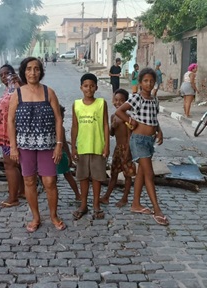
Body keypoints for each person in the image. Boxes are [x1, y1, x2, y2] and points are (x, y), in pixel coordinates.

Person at [8, 57, 66, 232]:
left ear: (41, 72)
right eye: (29, 69)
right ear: (24, 72)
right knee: (29, 180)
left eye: (36, 69)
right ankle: (35, 217)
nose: (32, 72)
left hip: (47, 145)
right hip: (25, 146)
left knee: (49, 182)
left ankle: (54, 216)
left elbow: (58, 119)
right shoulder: (17, 95)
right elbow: (10, 121)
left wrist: (59, 144)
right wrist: (13, 147)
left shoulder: (49, 93)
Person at [115, 67, 169, 226]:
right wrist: (129, 121)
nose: (149, 83)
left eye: (152, 81)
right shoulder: (136, 98)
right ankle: (157, 209)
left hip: (149, 140)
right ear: (140, 83)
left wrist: (159, 131)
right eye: (145, 81)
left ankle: (135, 204)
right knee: (149, 174)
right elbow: (120, 111)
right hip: (138, 140)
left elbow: (154, 118)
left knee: (141, 173)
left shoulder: (155, 100)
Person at [71, 73, 110, 220]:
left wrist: (106, 145)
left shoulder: (101, 103)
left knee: (97, 177)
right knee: (83, 177)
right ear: (81, 87)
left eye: (92, 86)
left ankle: (96, 205)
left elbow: (106, 124)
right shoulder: (76, 104)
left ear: (96, 87)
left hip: (97, 146)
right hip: (82, 147)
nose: (89, 89)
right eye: (86, 86)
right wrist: (74, 147)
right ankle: (83, 204)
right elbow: (74, 127)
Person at [0, 64, 25, 208]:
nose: (4, 77)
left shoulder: (16, 87)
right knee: (18, 164)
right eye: (1, 75)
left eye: (7, 73)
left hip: (11, 134)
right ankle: (22, 191)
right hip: (6, 133)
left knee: (9, 165)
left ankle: (13, 198)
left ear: (13, 74)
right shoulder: (9, 88)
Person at [100, 89, 136, 207]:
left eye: (121, 100)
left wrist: (128, 151)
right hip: (117, 149)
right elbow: (111, 134)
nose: (118, 102)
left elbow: (130, 135)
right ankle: (106, 197)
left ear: (126, 101)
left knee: (127, 175)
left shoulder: (128, 117)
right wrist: (113, 127)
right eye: (116, 100)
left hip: (127, 148)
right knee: (114, 173)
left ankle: (125, 197)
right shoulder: (113, 116)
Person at [55, 105, 81, 201]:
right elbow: (65, 144)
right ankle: (77, 194)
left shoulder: (58, 128)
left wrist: (69, 157)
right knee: (68, 175)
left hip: (57, 155)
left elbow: (64, 144)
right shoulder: (60, 127)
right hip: (60, 154)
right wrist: (68, 157)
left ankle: (77, 194)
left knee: (61, 176)